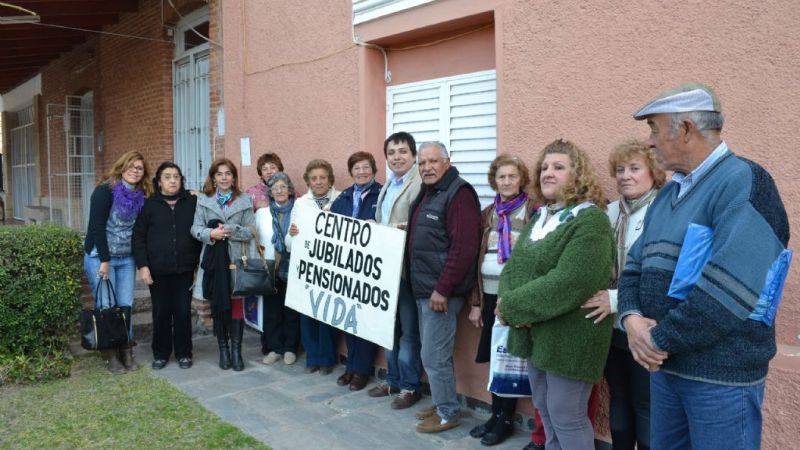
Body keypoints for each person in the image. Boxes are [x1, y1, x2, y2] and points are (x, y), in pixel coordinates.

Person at [618, 83, 790, 450]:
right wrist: (631, 318)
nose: (649, 141)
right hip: (666, 370)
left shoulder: (745, 182)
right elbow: (633, 267)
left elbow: (729, 290)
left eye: (654, 128)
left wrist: (655, 341)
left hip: (720, 380)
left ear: (685, 129)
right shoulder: (669, 193)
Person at [495, 139, 614, 450]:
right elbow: (513, 267)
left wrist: (512, 308)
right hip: (536, 333)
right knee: (545, 409)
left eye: (558, 167)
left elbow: (569, 281)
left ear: (578, 175)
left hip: (571, 337)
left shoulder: (590, 220)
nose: (548, 172)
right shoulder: (541, 217)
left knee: (567, 415)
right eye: (544, 167)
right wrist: (505, 300)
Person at [581, 140, 666, 450]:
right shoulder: (609, 212)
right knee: (619, 398)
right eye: (620, 169)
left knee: (646, 406)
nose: (625, 176)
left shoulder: (664, 211)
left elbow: (660, 275)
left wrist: (615, 299)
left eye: (634, 168)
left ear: (653, 172)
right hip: (610, 326)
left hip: (645, 324)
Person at [408, 141, 481, 433]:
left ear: (446, 163)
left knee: (433, 356)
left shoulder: (459, 194)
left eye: (433, 161)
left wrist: (443, 289)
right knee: (435, 353)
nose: (426, 167)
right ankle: (443, 401)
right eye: (422, 163)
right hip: (424, 288)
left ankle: (447, 413)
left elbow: (464, 248)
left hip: (439, 293)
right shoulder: (430, 191)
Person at [467, 154, 535, 446]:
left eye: (512, 176)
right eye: (501, 177)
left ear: (521, 180)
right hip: (489, 295)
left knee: (511, 359)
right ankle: (495, 415)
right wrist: (476, 303)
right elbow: (476, 258)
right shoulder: (488, 213)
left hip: (514, 298)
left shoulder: (532, 211)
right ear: (494, 181)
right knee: (495, 357)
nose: (506, 182)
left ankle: (506, 420)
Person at [367, 131, 424, 409]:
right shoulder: (389, 184)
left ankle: (410, 386)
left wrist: (382, 229)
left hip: (407, 270)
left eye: (402, 151)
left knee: (409, 332)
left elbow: (414, 225)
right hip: (386, 270)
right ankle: (393, 379)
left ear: (413, 155)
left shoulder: (419, 183)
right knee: (388, 329)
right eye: (391, 152)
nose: (397, 157)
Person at [84, 150, 153, 374]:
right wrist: (104, 260)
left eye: (139, 168)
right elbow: (97, 227)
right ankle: (110, 354)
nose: (135, 171)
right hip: (100, 256)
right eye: (131, 166)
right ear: (122, 167)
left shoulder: (142, 194)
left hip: (126, 257)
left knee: (126, 304)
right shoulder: (105, 191)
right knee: (106, 305)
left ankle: (126, 349)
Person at [132, 162, 202, 370]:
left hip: (185, 269)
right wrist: (143, 267)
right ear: (159, 182)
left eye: (176, 177)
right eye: (168, 177)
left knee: (182, 312)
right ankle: (161, 354)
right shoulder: (149, 205)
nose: (173, 181)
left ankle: (184, 353)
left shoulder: (192, 202)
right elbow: (138, 238)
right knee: (161, 313)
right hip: (158, 271)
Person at [192, 158, 256, 372]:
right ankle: (223, 350)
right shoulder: (204, 200)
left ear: (234, 177)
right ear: (213, 178)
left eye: (228, 173)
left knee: (236, 305)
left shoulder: (244, 200)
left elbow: (251, 231)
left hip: (236, 261)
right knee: (218, 305)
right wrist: (211, 233)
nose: (224, 177)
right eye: (219, 174)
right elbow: (195, 228)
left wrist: (231, 230)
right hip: (213, 262)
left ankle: (236, 351)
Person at [329, 151, 383, 391]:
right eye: (357, 168)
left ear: (374, 169)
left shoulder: (382, 194)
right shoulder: (344, 196)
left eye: (366, 167)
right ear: (351, 172)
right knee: (348, 317)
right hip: (345, 266)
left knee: (365, 319)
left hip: (369, 267)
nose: (361, 172)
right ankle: (351, 365)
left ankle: (362, 369)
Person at [286, 159, 340, 375]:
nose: (318, 182)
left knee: (328, 313)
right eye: (314, 178)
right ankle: (312, 357)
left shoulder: (341, 199)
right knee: (308, 314)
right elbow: (289, 243)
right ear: (308, 181)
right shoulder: (301, 203)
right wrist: (293, 235)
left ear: (330, 180)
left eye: (322, 178)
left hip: (332, 267)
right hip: (308, 268)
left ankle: (327, 359)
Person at [255, 172, 300, 366]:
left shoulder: (299, 210)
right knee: (271, 310)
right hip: (270, 268)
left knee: (291, 310)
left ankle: (290, 348)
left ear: (290, 190)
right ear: (270, 192)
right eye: (275, 188)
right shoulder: (262, 213)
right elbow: (255, 239)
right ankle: (274, 348)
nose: (280, 191)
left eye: (283, 187)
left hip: (293, 266)